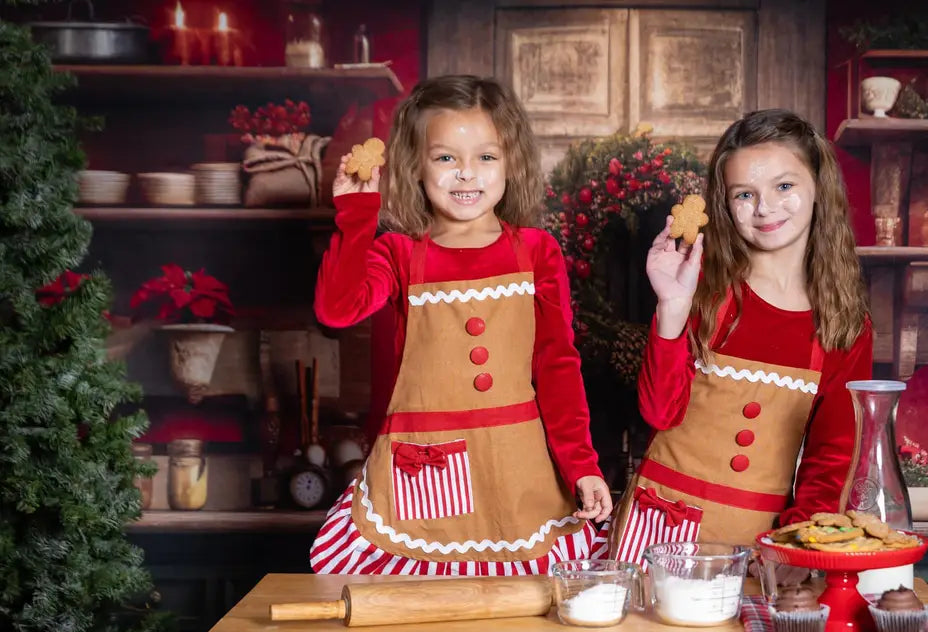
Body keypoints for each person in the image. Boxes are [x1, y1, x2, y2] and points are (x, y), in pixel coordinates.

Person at [309, 75, 612, 576]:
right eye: (446, 157)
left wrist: (581, 465)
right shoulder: (399, 252)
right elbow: (336, 311)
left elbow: (557, 367)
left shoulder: (537, 251)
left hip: (517, 477)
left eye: (486, 157)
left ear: (510, 162)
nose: (466, 175)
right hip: (426, 468)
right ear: (415, 166)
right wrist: (356, 216)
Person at [610, 109, 873, 564]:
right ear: (725, 204)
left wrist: (796, 547)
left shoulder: (843, 324)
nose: (765, 208)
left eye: (784, 186)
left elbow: (832, 463)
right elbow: (658, 411)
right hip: (656, 529)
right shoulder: (703, 288)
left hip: (756, 545)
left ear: (818, 188)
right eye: (745, 194)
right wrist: (672, 309)